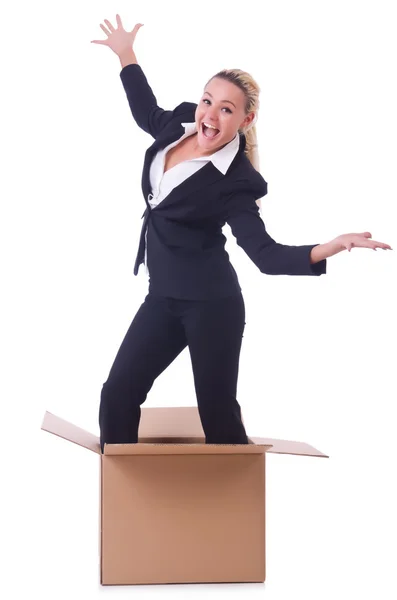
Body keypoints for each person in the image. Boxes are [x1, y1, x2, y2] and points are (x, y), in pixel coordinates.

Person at [91, 15, 392, 452]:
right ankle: (125, 496)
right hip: (163, 296)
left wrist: (333, 245)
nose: (210, 115)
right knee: (116, 394)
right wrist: (126, 55)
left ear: (246, 119)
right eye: (207, 101)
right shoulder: (178, 125)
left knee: (218, 415)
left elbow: (266, 256)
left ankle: (231, 510)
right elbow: (145, 111)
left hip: (212, 305)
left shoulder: (237, 180)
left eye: (226, 109)